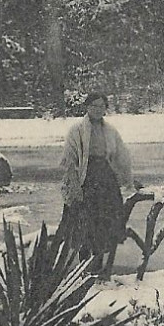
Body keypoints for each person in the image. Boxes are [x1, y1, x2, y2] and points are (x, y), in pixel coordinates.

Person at [57, 91, 133, 275]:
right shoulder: (76, 130)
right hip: (85, 178)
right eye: (94, 106)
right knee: (83, 221)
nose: (98, 110)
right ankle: (84, 264)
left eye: (102, 106)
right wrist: (74, 186)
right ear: (87, 107)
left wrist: (128, 179)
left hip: (105, 178)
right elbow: (70, 159)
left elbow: (121, 157)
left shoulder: (111, 131)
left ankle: (99, 264)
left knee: (106, 220)